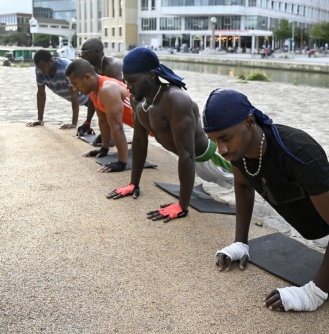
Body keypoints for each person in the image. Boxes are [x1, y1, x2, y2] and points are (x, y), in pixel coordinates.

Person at [202, 88, 329, 312]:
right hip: (327, 185)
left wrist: (314, 292)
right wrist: (240, 242)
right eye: (214, 141)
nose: (221, 149)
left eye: (225, 138)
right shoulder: (239, 151)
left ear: (249, 122)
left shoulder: (298, 150)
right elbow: (243, 184)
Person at [107, 47, 234, 221]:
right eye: (125, 80)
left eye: (133, 80)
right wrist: (133, 183)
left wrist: (182, 206)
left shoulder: (175, 99)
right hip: (187, 160)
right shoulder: (138, 98)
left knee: (252, 181)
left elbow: (187, 154)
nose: (128, 86)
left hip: (210, 159)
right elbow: (139, 141)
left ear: (151, 75)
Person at [65, 59, 132, 173]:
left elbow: (117, 127)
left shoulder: (107, 89)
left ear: (87, 77)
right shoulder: (93, 90)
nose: (74, 88)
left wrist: (121, 163)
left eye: (75, 83)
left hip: (155, 124)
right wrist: (104, 149)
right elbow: (103, 121)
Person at [26, 50, 89, 129]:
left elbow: (74, 95)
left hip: (89, 95)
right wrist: (39, 119)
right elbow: (41, 94)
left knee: (105, 116)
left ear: (51, 61)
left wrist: (74, 123)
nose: (41, 70)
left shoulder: (65, 69)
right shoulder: (39, 70)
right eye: (38, 67)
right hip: (77, 98)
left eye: (42, 67)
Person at [76, 38, 123, 137]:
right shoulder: (94, 69)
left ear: (97, 52)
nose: (81, 55)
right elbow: (93, 97)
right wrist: (87, 122)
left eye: (84, 51)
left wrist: (109, 132)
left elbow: (118, 102)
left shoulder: (113, 68)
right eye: (81, 51)